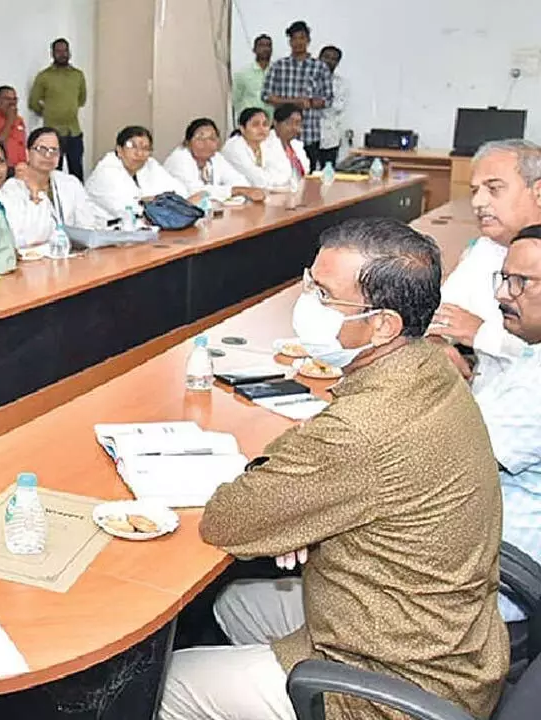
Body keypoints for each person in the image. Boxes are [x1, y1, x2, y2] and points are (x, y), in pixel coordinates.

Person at [160, 217, 509, 720]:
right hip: (441, 636)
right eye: (309, 282)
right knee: (230, 603)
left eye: (323, 295)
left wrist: (293, 501)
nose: (306, 304)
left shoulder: (364, 428)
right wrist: (303, 500)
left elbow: (227, 519)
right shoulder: (429, 366)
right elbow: (329, 456)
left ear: (383, 324)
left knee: (168, 687)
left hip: (393, 681)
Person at [428, 139, 541, 386]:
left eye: (493, 189)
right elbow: (439, 315)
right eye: (475, 191)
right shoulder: (485, 249)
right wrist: (435, 343)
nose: (478, 203)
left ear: (539, 192)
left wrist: (482, 334)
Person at [474, 225, 541, 637]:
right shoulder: (531, 356)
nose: (503, 294)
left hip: (493, 584)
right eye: (504, 279)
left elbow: (443, 463)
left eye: (522, 283)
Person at [0, 127, 105, 254]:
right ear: (27, 153)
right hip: (34, 263)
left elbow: (87, 225)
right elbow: (19, 238)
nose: (48, 155)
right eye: (41, 149)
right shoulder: (11, 190)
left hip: (73, 257)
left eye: (54, 151)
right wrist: (35, 193)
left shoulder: (70, 183)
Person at [262, 20, 333, 171]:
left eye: (302, 38)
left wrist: (311, 102)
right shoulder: (279, 66)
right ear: (290, 41)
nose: (298, 42)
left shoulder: (320, 67)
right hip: (281, 134)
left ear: (308, 40)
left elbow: (328, 99)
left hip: (309, 132)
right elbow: (266, 96)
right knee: (279, 173)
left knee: (308, 176)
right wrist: (293, 102)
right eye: (294, 38)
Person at [85, 125, 195, 220]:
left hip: (143, 231)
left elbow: (181, 193)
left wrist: (151, 200)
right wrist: (159, 200)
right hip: (105, 234)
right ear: (119, 150)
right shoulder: (106, 172)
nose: (139, 153)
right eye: (132, 147)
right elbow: (128, 209)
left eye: (145, 148)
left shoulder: (150, 164)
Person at [164, 118, 265, 203]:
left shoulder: (216, 157)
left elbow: (239, 181)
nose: (207, 143)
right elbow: (195, 191)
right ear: (187, 142)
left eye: (212, 138)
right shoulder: (179, 158)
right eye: (200, 138)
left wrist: (241, 190)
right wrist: (235, 191)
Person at [29, 38, 88, 180]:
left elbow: (82, 99)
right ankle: (54, 201)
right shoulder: (44, 76)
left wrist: (67, 108)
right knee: (54, 171)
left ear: (70, 53)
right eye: (59, 51)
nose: (62, 54)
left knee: (77, 171)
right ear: (52, 53)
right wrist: (50, 112)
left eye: (65, 51)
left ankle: (79, 201)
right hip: (52, 133)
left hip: (74, 131)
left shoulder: (78, 75)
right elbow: (33, 102)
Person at [221, 107, 293, 190]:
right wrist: (272, 179)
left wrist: (270, 180)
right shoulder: (234, 147)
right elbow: (257, 181)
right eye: (255, 125)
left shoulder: (270, 142)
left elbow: (286, 173)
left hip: (266, 194)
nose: (261, 129)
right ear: (242, 129)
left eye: (265, 124)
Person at [318, 45, 348, 169]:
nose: (329, 61)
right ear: (319, 58)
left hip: (331, 137)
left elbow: (338, 107)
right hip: (308, 136)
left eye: (334, 59)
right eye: (326, 57)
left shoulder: (341, 83)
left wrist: (320, 103)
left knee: (328, 175)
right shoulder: (308, 80)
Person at [233, 34, 274, 119]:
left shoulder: (277, 72)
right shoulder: (243, 73)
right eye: (261, 45)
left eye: (268, 46)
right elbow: (236, 100)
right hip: (250, 123)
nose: (265, 49)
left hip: (271, 123)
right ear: (254, 50)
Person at [271, 103, 311, 182]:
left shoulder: (296, 145)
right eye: (289, 123)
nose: (294, 128)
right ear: (276, 123)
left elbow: (306, 171)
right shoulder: (266, 145)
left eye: (298, 123)